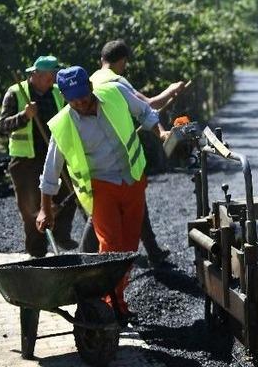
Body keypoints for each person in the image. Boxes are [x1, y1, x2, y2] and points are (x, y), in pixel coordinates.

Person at [36, 66, 170, 322]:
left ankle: (117, 299)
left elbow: (145, 112)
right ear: (64, 97)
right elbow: (50, 170)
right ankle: (111, 304)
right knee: (110, 247)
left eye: (82, 95)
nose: (80, 102)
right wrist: (45, 208)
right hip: (101, 189)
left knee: (129, 247)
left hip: (132, 180)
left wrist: (161, 132)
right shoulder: (63, 125)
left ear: (89, 86)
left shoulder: (116, 93)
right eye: (72, 98)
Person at [81, 39, 185, 265]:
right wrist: (170, 91)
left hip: (97, 154)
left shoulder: (92, 79)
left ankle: (153, 251)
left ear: (102, 60)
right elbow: (149, 105)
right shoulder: (117, 81)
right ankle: (85, 256)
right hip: (118, 158)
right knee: (102, 214)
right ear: (122, 61)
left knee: (135, 206)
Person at [0, 55, 77, 257]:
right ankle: (37, 255)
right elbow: (2, 126)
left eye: (55, 74)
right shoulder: (16, 93)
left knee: (70, 197)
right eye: (50, 75)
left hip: (56, 156)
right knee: (31, 211)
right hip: (26, 162)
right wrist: (24, 116)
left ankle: (61, 234)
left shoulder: (58, 93)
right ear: (36, 74)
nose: (53, 78)